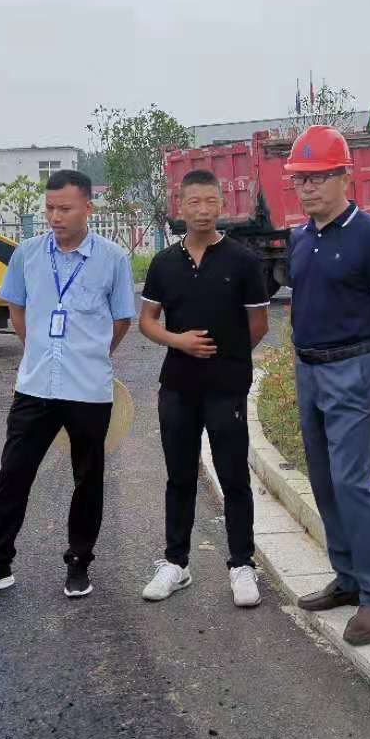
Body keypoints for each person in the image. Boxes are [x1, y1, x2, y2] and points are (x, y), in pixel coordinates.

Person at [0, 169, 136, 602]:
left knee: (88, 477)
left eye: (65, 208)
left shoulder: (112, 259)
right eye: (50, 209)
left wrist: (90, 356)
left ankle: (79, 562)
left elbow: (121, 320)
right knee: (13, 474)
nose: (55, 217)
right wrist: (38, 348)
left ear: (88, 208)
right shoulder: (27, 254)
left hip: (88, 389)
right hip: (35, 385)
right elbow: (17, 310)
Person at [285, 125, 370, 647]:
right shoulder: (301, 237)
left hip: (354, 370)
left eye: (317, 178)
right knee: (324, 480)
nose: (307, 189)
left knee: (353, 482)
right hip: (309, 370)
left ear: (343, 177)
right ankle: (347, 577)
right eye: (300, 180)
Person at [138, 169, 270, 607]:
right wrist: (180, 342)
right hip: (176, 387)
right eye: (193, 202)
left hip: (226, 388)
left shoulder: (243, 261)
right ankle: (176, 563)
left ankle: (241, 565)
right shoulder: (163, 264)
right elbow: (147, 322)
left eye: (210, 202)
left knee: (234, 476)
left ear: (221, 205)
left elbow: (258, 325)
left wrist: (228, 357)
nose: (202, 210)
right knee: (179, 476)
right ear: (180, 207)